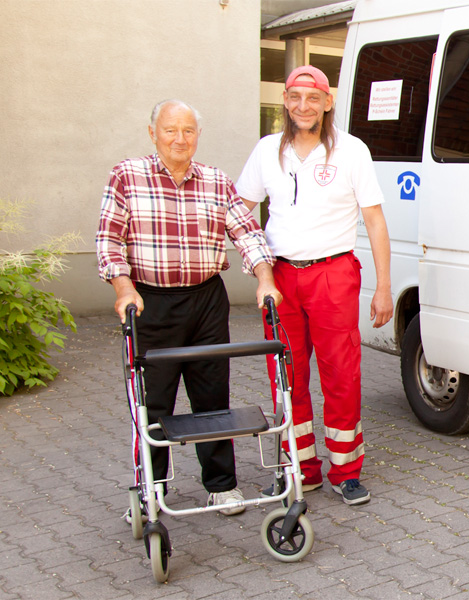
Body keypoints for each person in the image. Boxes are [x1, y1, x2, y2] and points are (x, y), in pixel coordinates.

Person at [96, 99, 282, 519]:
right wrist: (123, 288)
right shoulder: (127, 176)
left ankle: (222, 487)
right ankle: (150, 490)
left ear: (197, 136)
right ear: (152, 133)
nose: (180, 139)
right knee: (153, 402)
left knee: (212, 399)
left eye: (188, 131)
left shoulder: (215, 180)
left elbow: (247, 233)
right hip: (149, 301)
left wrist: (265, 280)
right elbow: (108, 240)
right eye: (170, 130)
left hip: (205, 300)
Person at [236, 65, 392, 505]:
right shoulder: (267, 150)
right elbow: (240, 209)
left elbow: (375, 221)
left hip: (333, 274)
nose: (303, 106)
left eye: (312, 98)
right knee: (286, 376)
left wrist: (384, 287)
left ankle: (345, 470)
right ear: (285, 101)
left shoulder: (352, 150)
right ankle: (298, 469)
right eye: (294, 98)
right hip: (281, 276)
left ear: (327, 102)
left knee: (341, 374)